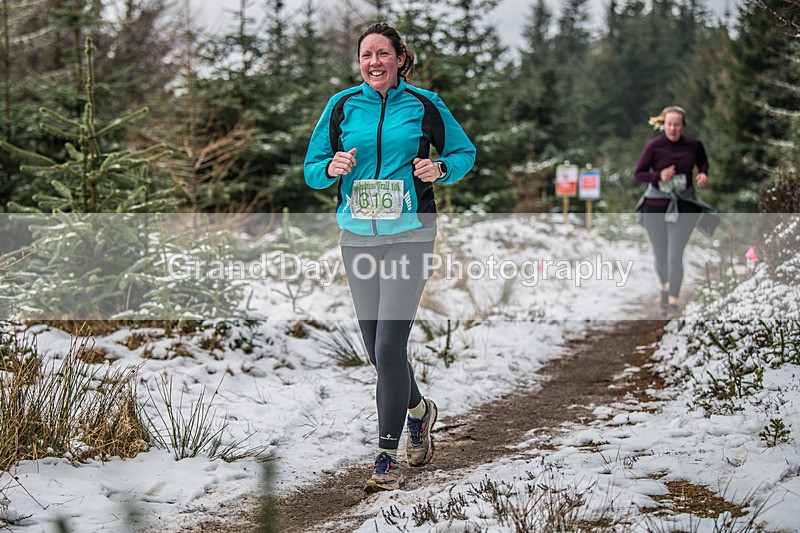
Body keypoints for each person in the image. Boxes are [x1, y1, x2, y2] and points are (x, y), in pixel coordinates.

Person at [304, 22, 476, 492]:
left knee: (387, 347)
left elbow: (464, 153)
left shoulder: (424, 105)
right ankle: (419, 412)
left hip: (411, 232)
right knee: (377, 350)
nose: (374, 62)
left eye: (383, 53)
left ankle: (385, 456)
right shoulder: (341, 107)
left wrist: (439, 167)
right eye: (366, 56)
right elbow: (311, 170)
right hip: (358, 236)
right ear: (359, 62)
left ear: (401, 58)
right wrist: (331, 167)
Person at [634, 106, 718, 317]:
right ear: (664, 125)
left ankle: (672, 302)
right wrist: (659, 176)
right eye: (669, 124)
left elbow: (703, 162)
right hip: (656, 205)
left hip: (684, 205)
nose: (673, 128)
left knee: (674, 255)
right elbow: (639, 174)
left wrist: (703, 174)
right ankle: (665, 286)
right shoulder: (654, 146)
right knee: (661, 255)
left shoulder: (694, 145)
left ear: (683, 126)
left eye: (677, 124)